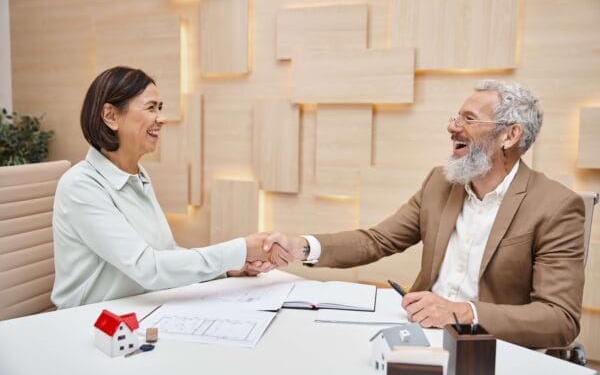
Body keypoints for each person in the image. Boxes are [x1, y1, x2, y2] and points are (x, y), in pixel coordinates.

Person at [263, 80, 585, 349]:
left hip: (488, 352)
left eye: (468, 120)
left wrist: (463, 312)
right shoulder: (440, 183)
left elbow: (559, 319)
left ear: (509, 135)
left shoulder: (556, 206)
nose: (452, 127)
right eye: (455, 117)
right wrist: (301, 247)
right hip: (421, 339)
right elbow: (377, 240)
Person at [51, 66, 289, 309]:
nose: (162, 118)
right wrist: (239, 250)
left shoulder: (138, 175)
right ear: (110, 116)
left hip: (137, 309)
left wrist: (226, 271)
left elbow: (165, 253)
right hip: (86, 322)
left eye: (160, 108)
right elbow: (147, 267)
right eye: (151, 108)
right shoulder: (80, 186)